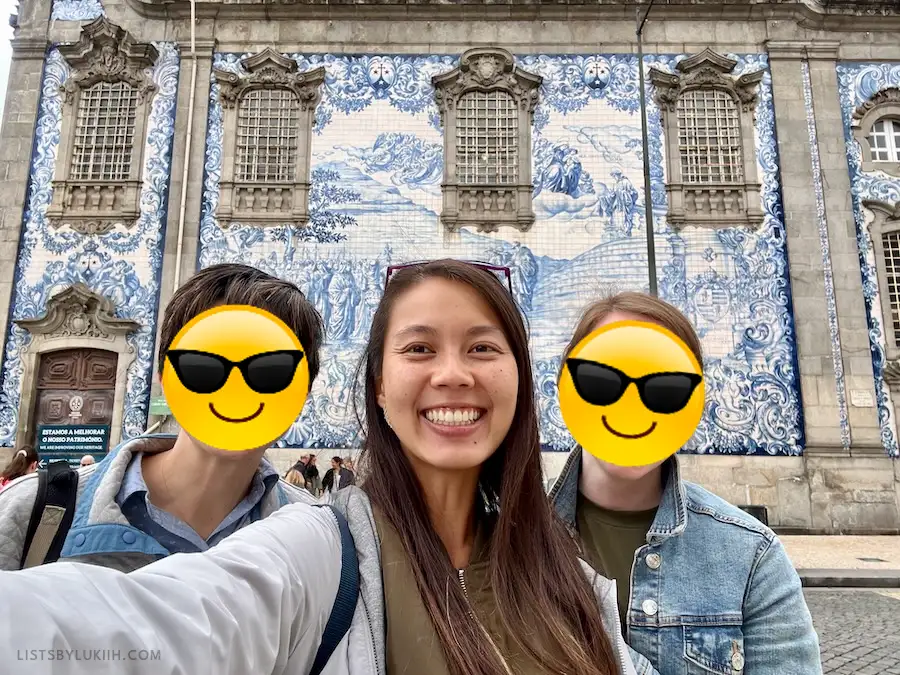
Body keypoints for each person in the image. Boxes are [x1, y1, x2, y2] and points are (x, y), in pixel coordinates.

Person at [0, 260, 657, 675]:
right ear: (376, 385)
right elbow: (141, 625)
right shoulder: (318, 548)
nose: (453, 374)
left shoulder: (573, 581)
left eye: (483, 347)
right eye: (419, 347)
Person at [549, 292, 822, 675]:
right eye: (600, 381)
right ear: (567, 385)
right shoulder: (499, 536)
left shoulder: (751, 556)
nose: (632, 406)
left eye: (666, 389)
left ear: (694, 400)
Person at [0, 263, 325, 571]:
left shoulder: (318, 539)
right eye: (204, 367)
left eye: (271, 372)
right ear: (165, 379)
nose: (235, 389)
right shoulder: (29, 513)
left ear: (303, 393)